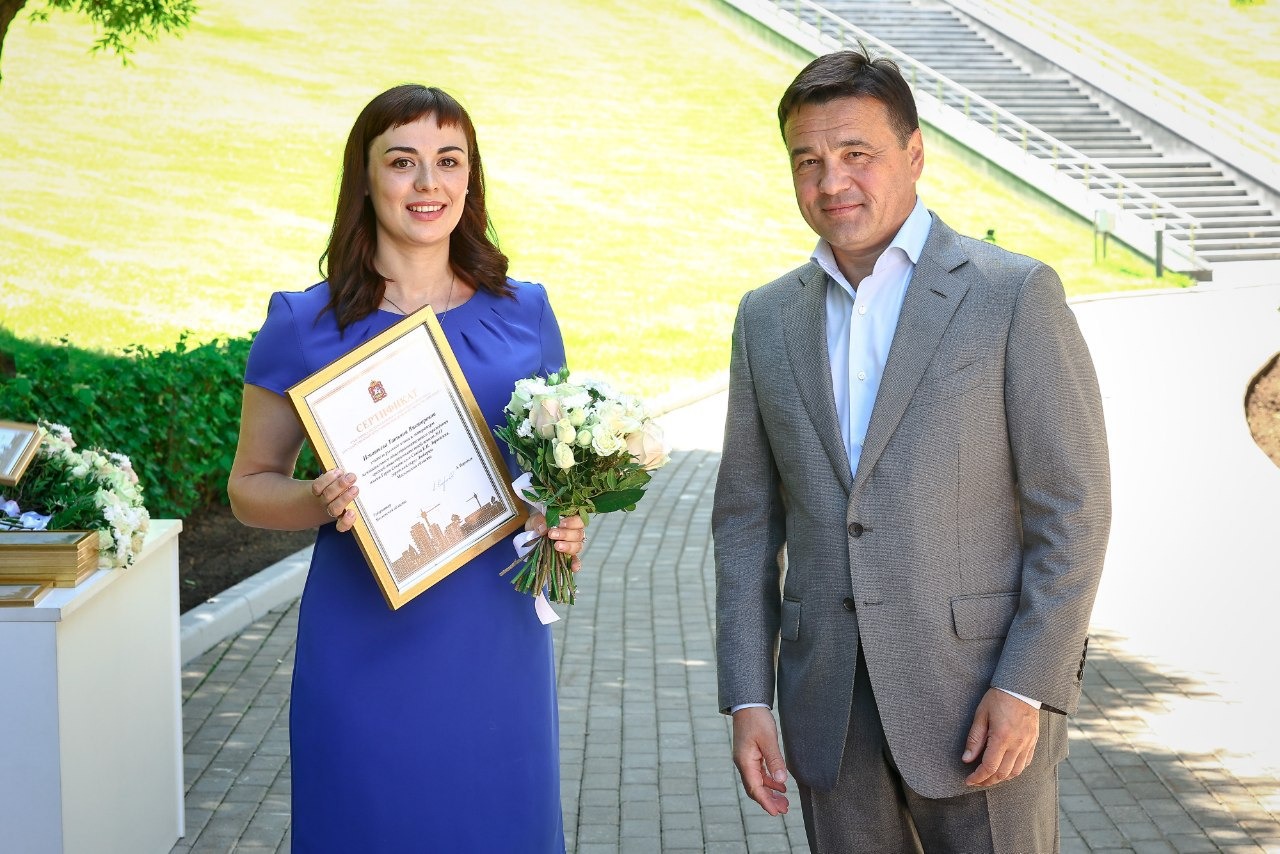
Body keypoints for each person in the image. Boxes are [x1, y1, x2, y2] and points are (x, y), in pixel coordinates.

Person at [713, 49, 1110, 852]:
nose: (832, 182)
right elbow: (745, 525)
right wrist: (748, 697)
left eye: (855, 153)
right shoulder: (765, 319)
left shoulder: (1012, 295)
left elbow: (1074, 510)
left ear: (915, 152)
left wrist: (1027, 685)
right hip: (827, 714)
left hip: (981, 706)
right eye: (807, 161)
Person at [228, 84, 583, 853]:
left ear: (470, 178)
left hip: (494, 640)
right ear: (364, 177)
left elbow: (553, 474)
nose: (428, 183)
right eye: (402, 161)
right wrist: (318, 499)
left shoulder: (526, 313)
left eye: (448, 161)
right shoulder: (303, 324)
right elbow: (249, 487)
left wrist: (563, 521)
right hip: (363, 637)